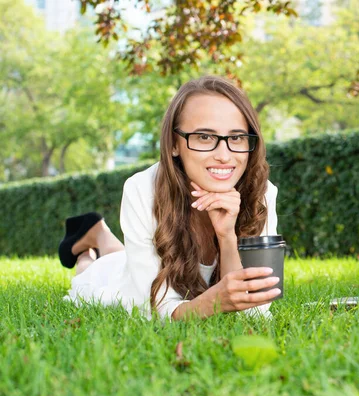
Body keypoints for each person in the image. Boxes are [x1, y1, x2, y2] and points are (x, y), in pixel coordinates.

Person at [58, 76, 281, 321]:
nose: (224, 155)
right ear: (175, 144)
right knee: (91, 280)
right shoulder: (142, 189)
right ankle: (88, 247)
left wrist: (227, 236)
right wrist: (212, 303)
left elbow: (254, 309)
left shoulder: (261, 192)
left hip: (138, 264)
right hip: (121, 281)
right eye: (204, 137)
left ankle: (97, 231)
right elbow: (152, 306)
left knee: (121, 259)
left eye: (237, 138)